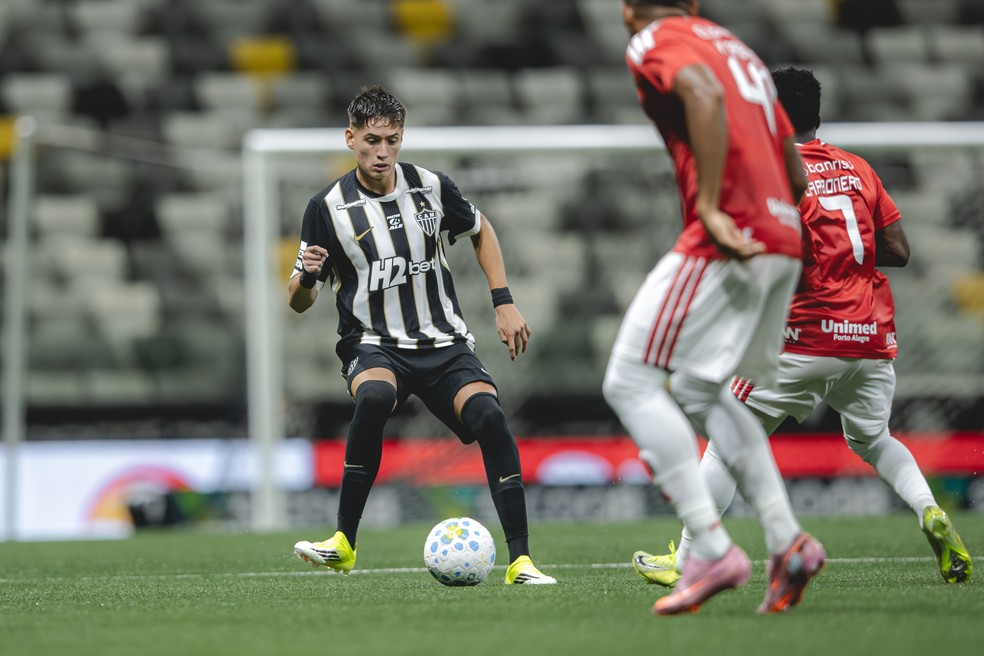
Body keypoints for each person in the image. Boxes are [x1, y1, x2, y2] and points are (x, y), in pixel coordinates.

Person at [633, 67, 973, 587]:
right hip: (870, 336)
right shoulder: (856, 168)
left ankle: (689, 560)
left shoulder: (774, 173)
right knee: (874, 438)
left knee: (725, 440)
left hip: (805, 336)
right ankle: (929, 509)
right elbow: (899, 250)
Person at [602, 1, 825, 615]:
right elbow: (797, 174)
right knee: (704, 389)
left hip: (727, 236)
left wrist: (709, 207)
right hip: (781, 237)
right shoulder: (737, 49)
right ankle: (788, 541)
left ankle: (710, 547)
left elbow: (700, 94)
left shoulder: (655, 39)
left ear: (627, 9)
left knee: (629, 380)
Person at [288, 85, 555, 585]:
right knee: (373, 396)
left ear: (402, 136)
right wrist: (304, 275)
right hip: (372, 341)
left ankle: (520, 560)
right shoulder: (327, 207)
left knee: (490, 418)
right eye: (371, 140)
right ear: (351, 138)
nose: (382, 151)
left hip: (442, 342)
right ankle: (343, 542)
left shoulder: (431, 186)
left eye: (392, 139)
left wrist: (503, 302)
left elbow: (481, 228)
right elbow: (299, 301)